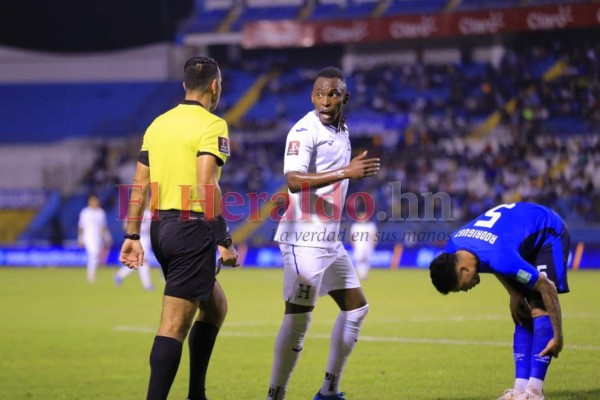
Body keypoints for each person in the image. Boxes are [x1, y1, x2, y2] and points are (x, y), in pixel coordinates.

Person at [119, 56, 239, 400]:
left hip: (161, 229)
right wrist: (224, 239)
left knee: (215, 306)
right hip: (192, 229)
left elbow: (139, 184)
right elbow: (206, 185)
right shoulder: (212, 125)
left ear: (185, 85)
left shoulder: (158, 124)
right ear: (215, 86)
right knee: (173, 325)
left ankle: (196, 394)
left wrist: (131, 235)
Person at [268, 67, 381, 400]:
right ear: (311, 96)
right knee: (299, 318)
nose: (325, 100)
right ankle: (275, 395)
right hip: (304, 238)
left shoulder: (341, 128)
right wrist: (348, 171)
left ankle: (329, 392)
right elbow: (293, 179)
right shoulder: (304, 130)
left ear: (344, 97)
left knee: (357, 309)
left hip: (328, 240)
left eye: (332, 94)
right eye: (319, 93)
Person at [428, 202, 570, 400]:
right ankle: (520, 390)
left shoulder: (501, 258)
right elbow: (489, 260)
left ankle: (534, 392)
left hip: (547, 232)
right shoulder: (454, 248)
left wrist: (558, 336)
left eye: (462, 287)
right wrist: (513, 293)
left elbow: (547, 287)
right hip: (514, 239)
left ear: (463, 270)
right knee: (522, 310)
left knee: (538, 307)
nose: (466, 290)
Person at [114, 207, 155, 291]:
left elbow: (153, 227)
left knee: (138, 261)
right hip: (137, 238)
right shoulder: (134, 211)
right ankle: (147, 285)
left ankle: (119, 275)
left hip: (146, 239)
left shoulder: (148, 213)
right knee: (144, 261)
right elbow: (125, 225)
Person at [78, 194, 112, 284]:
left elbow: (103, 227)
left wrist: (107, 237)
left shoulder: (100, 212)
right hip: (88, 236)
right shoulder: (85, 212)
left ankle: (92, 273)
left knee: (96, 255)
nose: (94, 203)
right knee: (93, 253)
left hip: (98, 237)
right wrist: (80, 238)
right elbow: (81, 227)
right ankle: (91, 276)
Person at [349, 210, 378, 280]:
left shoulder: (371, 226)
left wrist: (374, 243)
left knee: (367, 260)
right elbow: (352, 236)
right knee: (359, 259)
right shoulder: (355, 226)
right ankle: (361, 274)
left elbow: (374, 236)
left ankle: (364, 274)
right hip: (358, 245)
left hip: (368, 245)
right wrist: (353, 244)